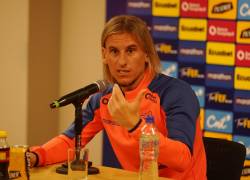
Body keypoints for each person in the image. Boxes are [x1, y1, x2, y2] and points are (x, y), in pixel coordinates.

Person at [29, 15, 207, 179]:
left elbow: (182, 159)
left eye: (130, 51)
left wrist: (136, 126)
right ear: (104, 55)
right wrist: (35, 156)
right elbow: (70, 141)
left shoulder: (175, 93)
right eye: (114, 51)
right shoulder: (103, 98)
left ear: (146, 54)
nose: (122, 62)